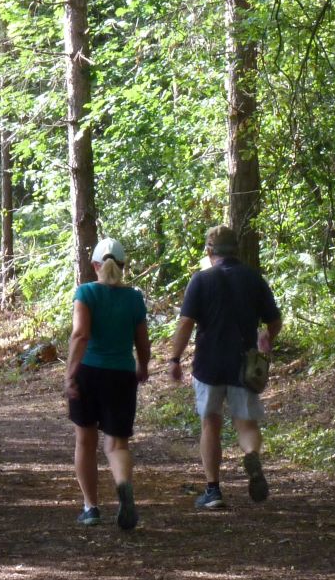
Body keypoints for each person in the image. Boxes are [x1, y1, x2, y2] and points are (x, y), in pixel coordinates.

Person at [168, 225, 282, 508]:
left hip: (209, 364)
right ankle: (251, 454)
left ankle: (213, 490)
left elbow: (186, 323)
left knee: (211, 424)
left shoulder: (201, 280)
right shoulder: (253, 278)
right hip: (244, 364)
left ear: (209, 251)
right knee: (246, 423)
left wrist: (174, 358)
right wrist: (267, 335)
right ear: (237, 250)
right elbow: (274, 319)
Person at [64, 237, 151, 529]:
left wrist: (70, 374)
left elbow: (80, 335)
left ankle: (91, 508)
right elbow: (142, 340)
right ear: (123, 266)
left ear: (95, 266)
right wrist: (143, 365)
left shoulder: (86, 293)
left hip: (89, 372)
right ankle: (123, 486)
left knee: (85, 441)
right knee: (117, 445)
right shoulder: (134, 298)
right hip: (121, 376)